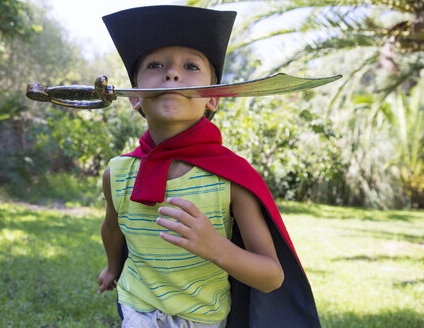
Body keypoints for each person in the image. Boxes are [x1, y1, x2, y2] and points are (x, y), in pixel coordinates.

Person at [97, 6, 321, 328]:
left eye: (190, 66)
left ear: (213, 99)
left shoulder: (232, 178)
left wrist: (216, 247)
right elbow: (112, 228)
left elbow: (272, 275)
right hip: (137, 309)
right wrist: (112, 268)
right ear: (134, 97)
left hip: (203, 318)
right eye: (155, 65)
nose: (172, 75)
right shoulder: (116, 174)